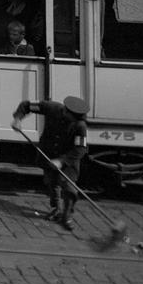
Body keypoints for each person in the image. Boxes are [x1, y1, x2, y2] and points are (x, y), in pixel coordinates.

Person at [12, 95, 89, 229]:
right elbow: (26, 105)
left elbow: (80, 149)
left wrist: (61, 161)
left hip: (67, 160)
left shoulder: (80, 125)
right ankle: (56, 209)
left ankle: (67, 215)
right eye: (70, 116)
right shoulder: (51, 107)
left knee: (70, 189)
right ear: (65, 111)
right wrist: (18, 119)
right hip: (47, 155)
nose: (71, 120)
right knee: (52, 183)